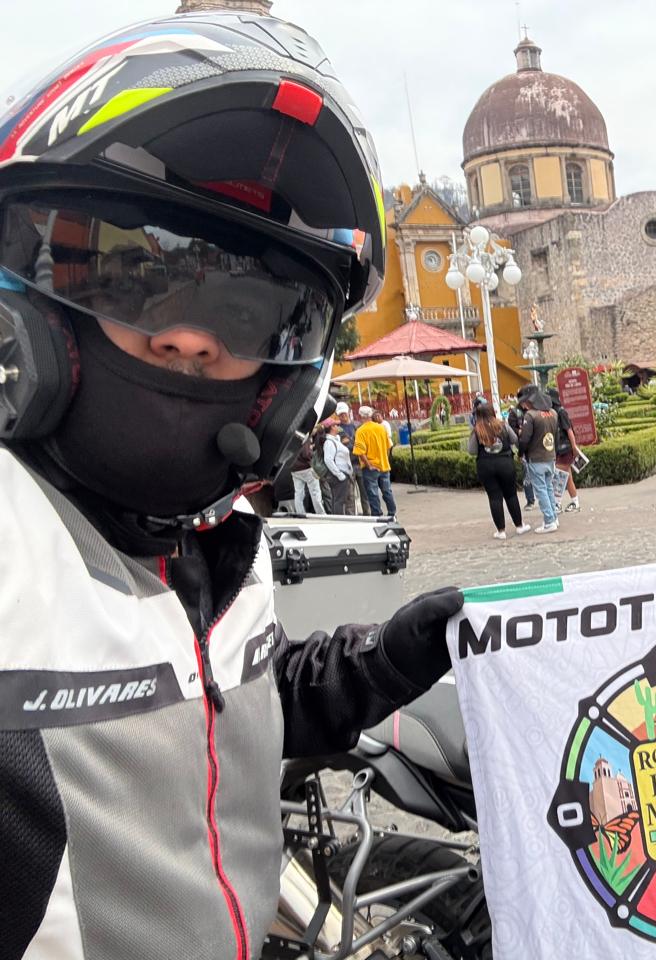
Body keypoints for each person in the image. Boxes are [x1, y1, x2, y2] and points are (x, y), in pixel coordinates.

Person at [0, 14, 464, 958]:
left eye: (246, 308)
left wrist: (377, 665)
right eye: (134, 276)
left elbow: (228, 701)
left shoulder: (216, 543)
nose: (192, 336)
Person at [468, 402, 529, 538]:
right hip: (505, 463)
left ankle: (501, 531)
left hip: (485, 465)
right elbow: (514, 439)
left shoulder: (477, 430)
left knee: (494, 497)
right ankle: (519, 526)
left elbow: (471, 450)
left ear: (478, 415)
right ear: (492, 412)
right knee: (511, 495)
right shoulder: (502, 425)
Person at [517, 384, 561, 532]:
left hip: (536, 458)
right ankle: (554, 517)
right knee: (549, 488)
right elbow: (556, 436)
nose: (524, 405)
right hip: (550, 456)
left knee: (541, 490)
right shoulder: (553, 413)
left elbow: (524, 439)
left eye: (525, 402)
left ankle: (549, 521)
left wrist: (520, 453)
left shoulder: (531, 415)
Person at [354, 405, 397, 517]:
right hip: (384, 465)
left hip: (370, 468)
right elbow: (389, 446)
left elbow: (360, 452)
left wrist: (369, 465)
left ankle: (378, 515)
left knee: (373, 494)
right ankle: (392, 514)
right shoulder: (381, 428)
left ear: (360, 416)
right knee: (387, 491)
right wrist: (385, 458)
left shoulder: (360, 431)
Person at [546, 386, 582, 512]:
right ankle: (575, 502)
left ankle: (557, 504)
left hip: (565, 449)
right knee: (567, 478)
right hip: (561, 449)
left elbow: (569, 430)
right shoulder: (554, 412)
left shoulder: (561, 412)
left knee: (558, 476)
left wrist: (574, 447)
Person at [288, 428, 325, 515]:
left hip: (294, 469)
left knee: (298, 493)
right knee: (315, 492)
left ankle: (300, 513)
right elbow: (306, 454)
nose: (315, 429)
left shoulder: (296, 435)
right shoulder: (307, 437)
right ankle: (321, 513)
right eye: (315, 428)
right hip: (306, 468)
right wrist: (313, 454)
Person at [334, 400, 362, 514]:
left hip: (360, 463)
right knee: (349, 496)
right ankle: (351, 516)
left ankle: (368, 514)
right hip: (347, 466)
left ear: (348, 412)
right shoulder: (337, 429)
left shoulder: (357, 426)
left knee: (365, 493)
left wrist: (350, 443)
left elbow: (361, 443)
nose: (343, 416)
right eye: (340, 414)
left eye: (344, 413)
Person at [323, 418, 355, 514]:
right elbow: (328, 460)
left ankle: (336, 518)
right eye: (336, 425)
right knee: (339, 501)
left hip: (341, 474)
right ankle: (338, 518)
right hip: (338, 476)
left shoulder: (335, 440)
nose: (338, 427)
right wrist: (340, 475)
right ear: (332, 427)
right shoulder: (329, 442)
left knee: (337, 500)